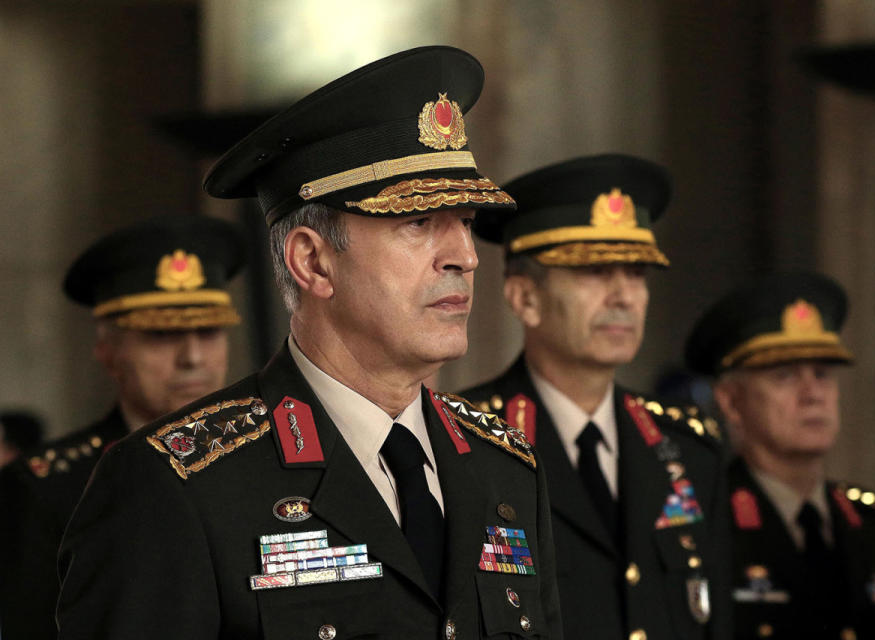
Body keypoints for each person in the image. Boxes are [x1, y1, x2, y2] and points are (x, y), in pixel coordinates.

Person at [57, 46, 561, 640]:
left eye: (467, 223)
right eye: (418, 222)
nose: (466, 257)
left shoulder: (508, 467)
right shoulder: (176, 486)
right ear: (313, 261)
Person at [461, 154, 731, 640]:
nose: (624, 296)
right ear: (524, 297)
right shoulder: (463, 443)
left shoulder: (689, 449)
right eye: (594, 271)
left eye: (636, 272)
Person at [0, 215, 245, 640]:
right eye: (162, 335)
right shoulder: (44, 488)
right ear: (108, 352)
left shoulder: (272, 459)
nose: (193, 358)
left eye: (208, 331)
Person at [684, 271, 875, 640]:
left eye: (822, 374)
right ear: (731, 401)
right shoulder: (704, 527)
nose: (813, 394)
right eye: (784, 376)